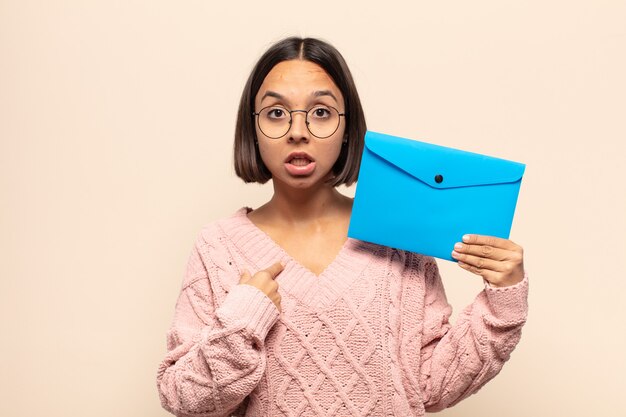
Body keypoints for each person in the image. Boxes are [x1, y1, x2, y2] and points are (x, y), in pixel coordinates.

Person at [156, 36, 528, 417]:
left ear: (348, 128)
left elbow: (431, 385)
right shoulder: (219, 247)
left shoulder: (394, 235)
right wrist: (242, 321)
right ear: (252, 129)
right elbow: (183, 399)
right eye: (276, 113)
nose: (297, 131)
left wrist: (503, 298)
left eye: (320, 112)